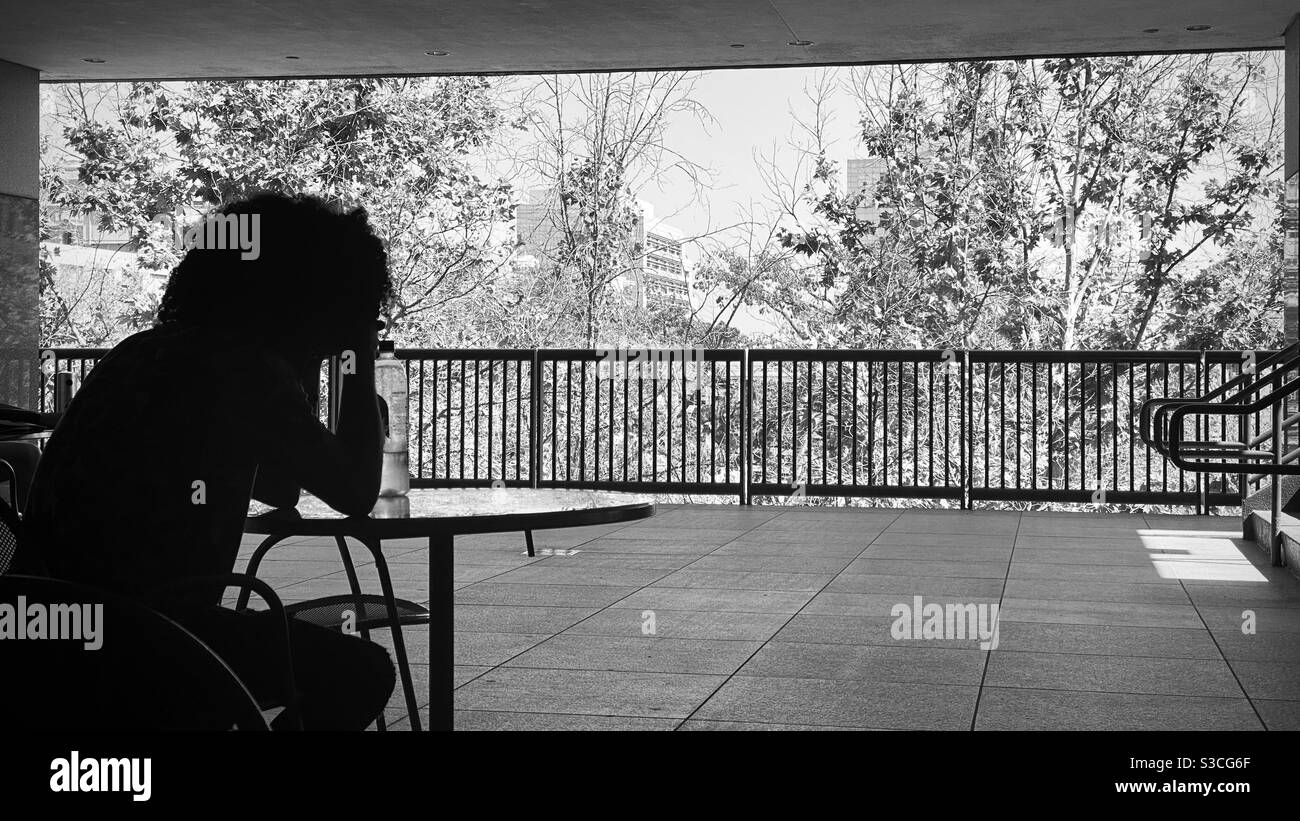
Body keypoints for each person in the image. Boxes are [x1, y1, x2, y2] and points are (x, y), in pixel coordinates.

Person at [13, 193, 397, 730]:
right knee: (359, 671)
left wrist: (300, 363)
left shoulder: (147, 350)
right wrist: (357, 356)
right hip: (149, 639)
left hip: (47, 630)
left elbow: (281, 486)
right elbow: (356, 491)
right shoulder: (243, 370)